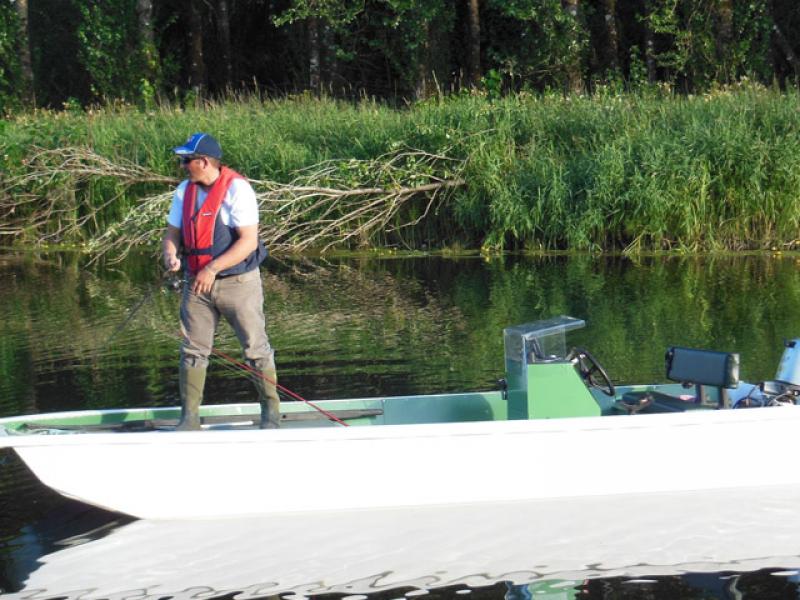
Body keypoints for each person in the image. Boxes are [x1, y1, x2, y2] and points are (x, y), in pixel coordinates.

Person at [162, 132, 280, 430]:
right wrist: (171, 255)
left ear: (203, 162)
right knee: (192, 350)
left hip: (237, 283)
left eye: (186, 160)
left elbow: (248, 242)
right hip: (196, 284)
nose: (182, 165)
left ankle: (271, 415)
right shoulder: (183, 191)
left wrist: (212, 269)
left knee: (255, 349)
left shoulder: (237, 190)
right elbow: (172, 233)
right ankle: (188, 420)